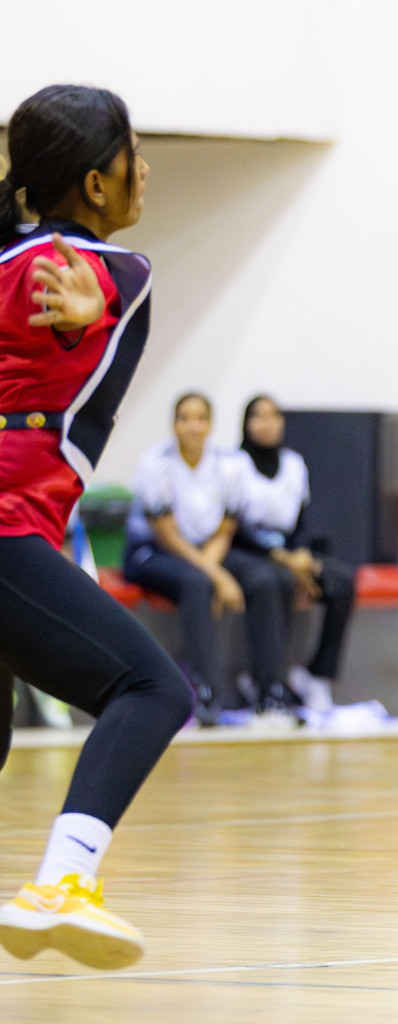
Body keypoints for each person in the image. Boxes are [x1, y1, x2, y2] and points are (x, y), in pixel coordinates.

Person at [0, 84, 186, 970]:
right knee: (152, 689)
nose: (145, 168)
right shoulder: (113, 269)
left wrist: (86, 320)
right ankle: (62, 883)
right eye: (132, 153)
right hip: (6, 526)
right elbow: (102, 286)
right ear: (96, 183)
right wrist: (95, 311)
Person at [123, 394, 302, 723]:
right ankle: (207, 694)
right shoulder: (155, 463)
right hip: (154, 551)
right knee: (198, 583)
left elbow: (225, 528)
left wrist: (214, 567)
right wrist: (217, 576)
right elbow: (166, 533)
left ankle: (269, 692)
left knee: (264, 578)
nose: (193, 426)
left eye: (200, 418)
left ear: (210, 425)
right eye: (185, 418)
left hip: (210, 549)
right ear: (174, 424)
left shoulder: (228, 464)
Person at [232, 394, 356, 709]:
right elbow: (233, 526)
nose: (266, 423)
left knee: (341, 580)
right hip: (250, 550)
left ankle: (317, 674)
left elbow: (302, 517)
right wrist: (282, 557)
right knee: (276, 580)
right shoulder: (234, 466)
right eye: (258, 416)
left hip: (290, 548)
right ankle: (265, 679)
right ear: (246, 423)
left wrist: (300, 553)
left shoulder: (293, 464)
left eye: (273, 416)